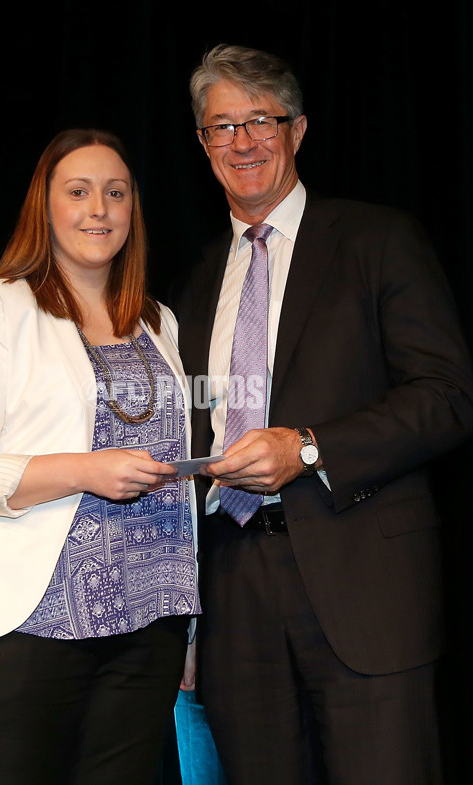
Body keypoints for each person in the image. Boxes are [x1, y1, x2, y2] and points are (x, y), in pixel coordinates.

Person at [171, 44, 473, 785]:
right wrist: (185, 621)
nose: (242, 142)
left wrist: (308, 446)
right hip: (235, 593)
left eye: (260, 121)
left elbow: (446, 397)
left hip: (363, 582)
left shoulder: (377, 240)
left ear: (297, 131)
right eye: (221, 127)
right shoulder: (196, 278)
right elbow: (194, 426)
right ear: (203, 144)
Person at [0, 128, 200, 785]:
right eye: (78, 191)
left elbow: (176, 484)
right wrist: (81, 470)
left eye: (115, 192)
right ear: (46, 207)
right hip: (21, 625)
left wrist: (188, 625)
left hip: (144, 630)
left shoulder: (159, 320)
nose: (99, 207)